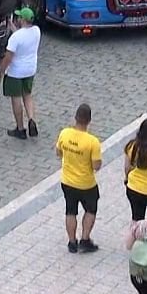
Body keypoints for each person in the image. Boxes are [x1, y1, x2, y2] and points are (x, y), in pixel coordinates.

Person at [55, 103, 102, 253]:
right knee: (90, 210)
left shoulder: (64, 133)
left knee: (70, 211)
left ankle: (72, 242)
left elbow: (58, 153)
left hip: (67, 181)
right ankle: (85, 239)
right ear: (89, 121)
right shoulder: (92, 142)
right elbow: (96, 166)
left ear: (75, 118)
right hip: (86, 184)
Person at [0, 7, 41, 139]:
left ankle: (20, 129)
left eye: (19, 17)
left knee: (16, 99)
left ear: (22, 19)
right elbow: (23, 37)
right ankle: (32, 119)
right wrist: (13, 28)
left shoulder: (15, 38)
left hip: (16, 72)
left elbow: (8, 57)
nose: (17, 19)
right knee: (27, 95)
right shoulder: (36, 31)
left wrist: (0, 72)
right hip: (30, 69)